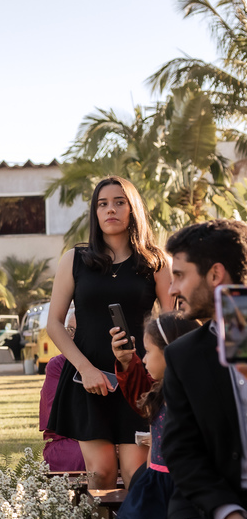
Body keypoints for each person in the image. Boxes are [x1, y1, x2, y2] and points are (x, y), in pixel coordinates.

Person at [46, 177, 171, 489]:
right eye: (102, 204)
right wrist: (85, 369)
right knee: (100, 473)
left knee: (135, 474)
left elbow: (172, 324)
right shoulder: (75, 260)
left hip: (138, 380)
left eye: (119, 202)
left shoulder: (155, 261)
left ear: (133, 209)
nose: (110, 210)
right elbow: (54, 323)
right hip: (87, 379)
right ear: (95, 212)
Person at [159, 219, 247, 519]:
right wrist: (230, 517)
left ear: (215, 274)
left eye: (180, 275)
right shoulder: (183, 355)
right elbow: (181, 450)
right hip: (211, 498)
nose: (172, 289)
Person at [110, 312, 199, 519]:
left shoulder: (198, 399)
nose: (145, 359)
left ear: (173, 351)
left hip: (184, 488)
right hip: (152, 486)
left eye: (148, 352)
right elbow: (153, 453)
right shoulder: (158, 394)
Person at [40, 311, 85, 473]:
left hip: (113, 439)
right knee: (82, 456)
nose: (71, 337)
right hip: (71, 440)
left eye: (78, 331)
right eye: (69, 330)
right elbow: (61, 418)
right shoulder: (58, 365)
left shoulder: (114, 362)